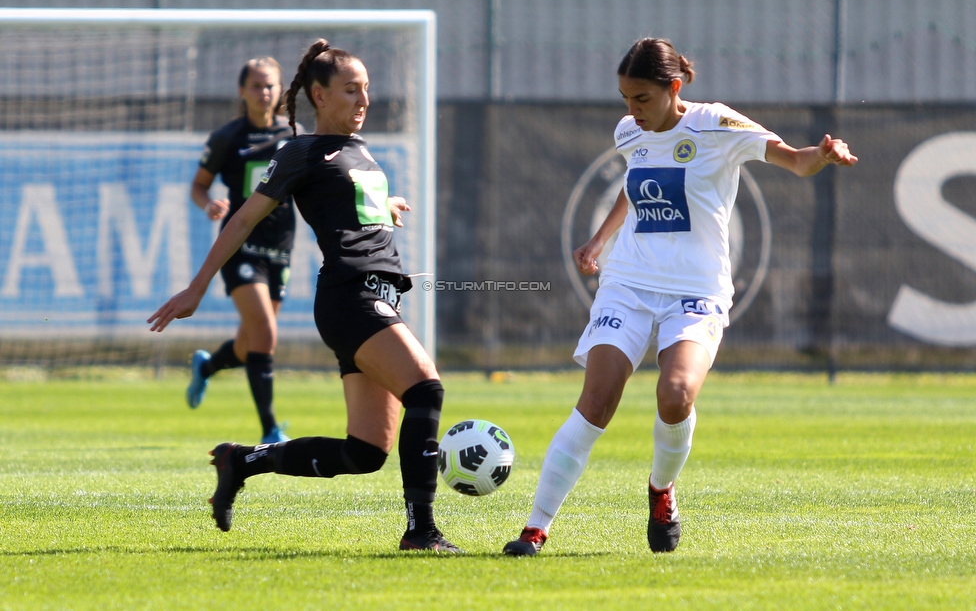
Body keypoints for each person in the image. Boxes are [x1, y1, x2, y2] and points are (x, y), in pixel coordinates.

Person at [502, 37, 858, 556]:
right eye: (625, 98)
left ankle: (661, 489)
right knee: (596, 401)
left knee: (675, 396)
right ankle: (535, 529)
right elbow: (636, 182)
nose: (632, 111)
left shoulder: (716, 124)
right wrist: (600, 240)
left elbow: (795, 161)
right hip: (628, 284)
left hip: (695, 290)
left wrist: (821, 156)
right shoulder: (630, 131)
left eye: (642, 98)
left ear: (674, 88)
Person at [149, 39, 459, 553]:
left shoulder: (360, 150)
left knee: (366, 452)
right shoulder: (299, 151)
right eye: (351, 89)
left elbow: (353, 203)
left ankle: (243, 461)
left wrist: (387, 203)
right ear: (319, 94)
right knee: (426, 390)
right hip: (351, 296)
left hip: (380, 293)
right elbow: (244, 217)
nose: (363, 99)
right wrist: (198, 287)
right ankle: (421, 531)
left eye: (367, 89)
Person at [185, 56, 299, 445]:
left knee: (249, 343)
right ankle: (270, 428)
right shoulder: (227, 137)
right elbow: (198, 187)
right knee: (265, 333)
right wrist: (209, 204)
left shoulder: (294, 136)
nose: (264, 92)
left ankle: (208, 365)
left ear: (280, 90)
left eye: (270, 85)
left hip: (280, 250)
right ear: (242, 91)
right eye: (256, 85)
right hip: (241, 248)